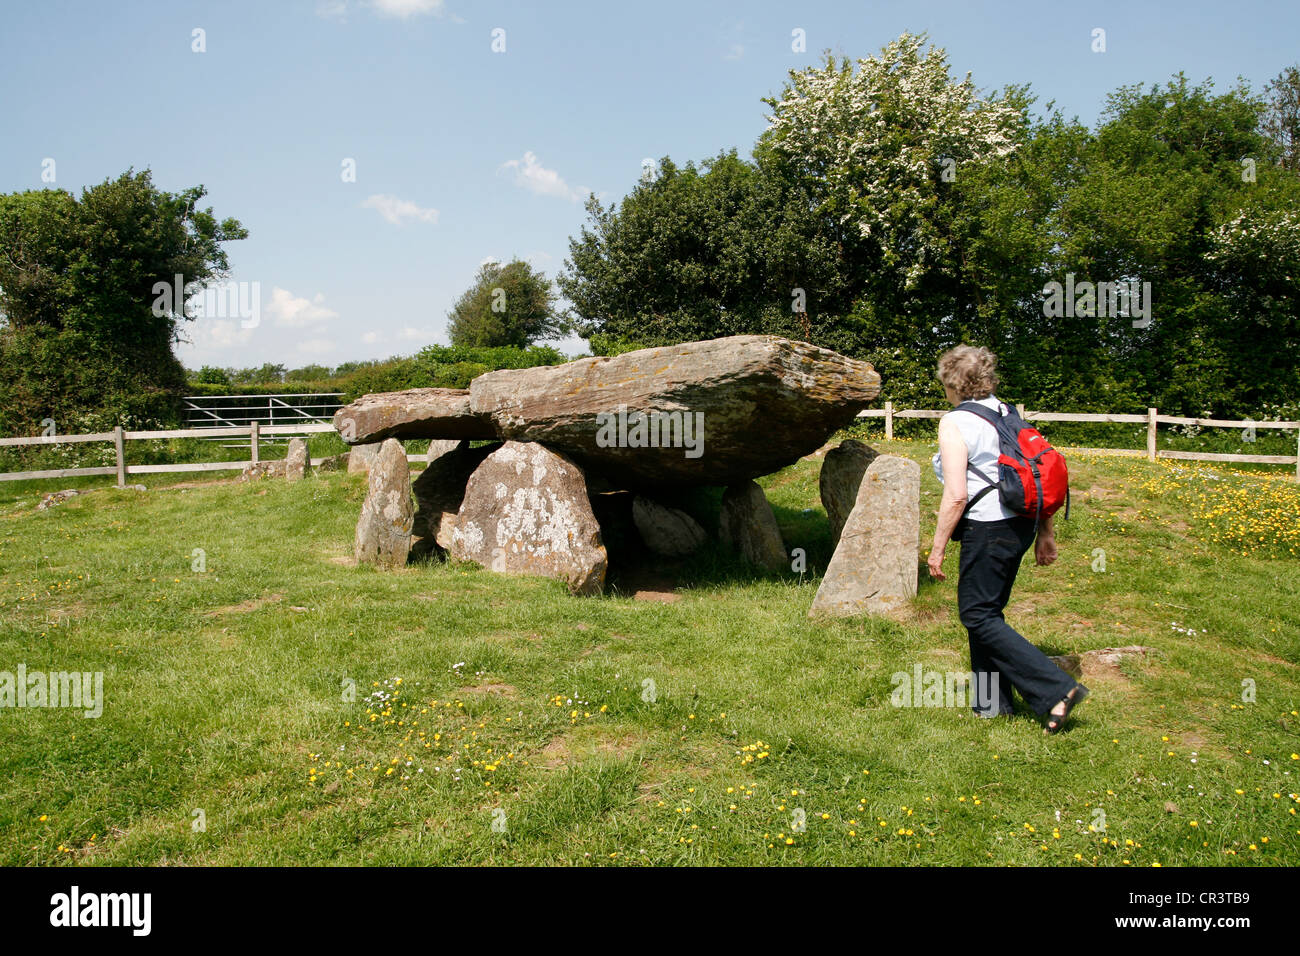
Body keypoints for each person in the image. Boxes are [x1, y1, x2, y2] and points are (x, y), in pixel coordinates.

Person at [926, 345, 1087, 734]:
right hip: (1021, 525)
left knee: (976, 614)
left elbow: (957, 495)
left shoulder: (955, 422)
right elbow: (1034, 471)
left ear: (952, 382)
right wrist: (1045, 533)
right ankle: (990, 705)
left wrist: (936, 547)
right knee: (987, 612)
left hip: (988, 528)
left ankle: (1057, 689)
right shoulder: (1008, 413)